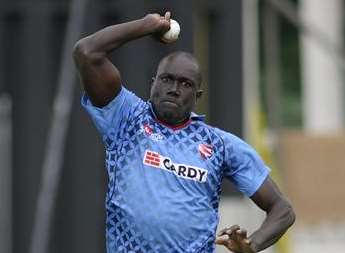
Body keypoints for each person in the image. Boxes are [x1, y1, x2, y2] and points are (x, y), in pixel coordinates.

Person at [73, 11, 295, 253]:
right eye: (166, 79)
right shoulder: (126, 118)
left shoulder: (220, 144)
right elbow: (87, 52)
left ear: (197, 96)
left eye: (185, 84)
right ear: (153, 82)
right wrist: (146, 26)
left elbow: (282, 210)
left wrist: (253, 246)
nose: (174, 89)